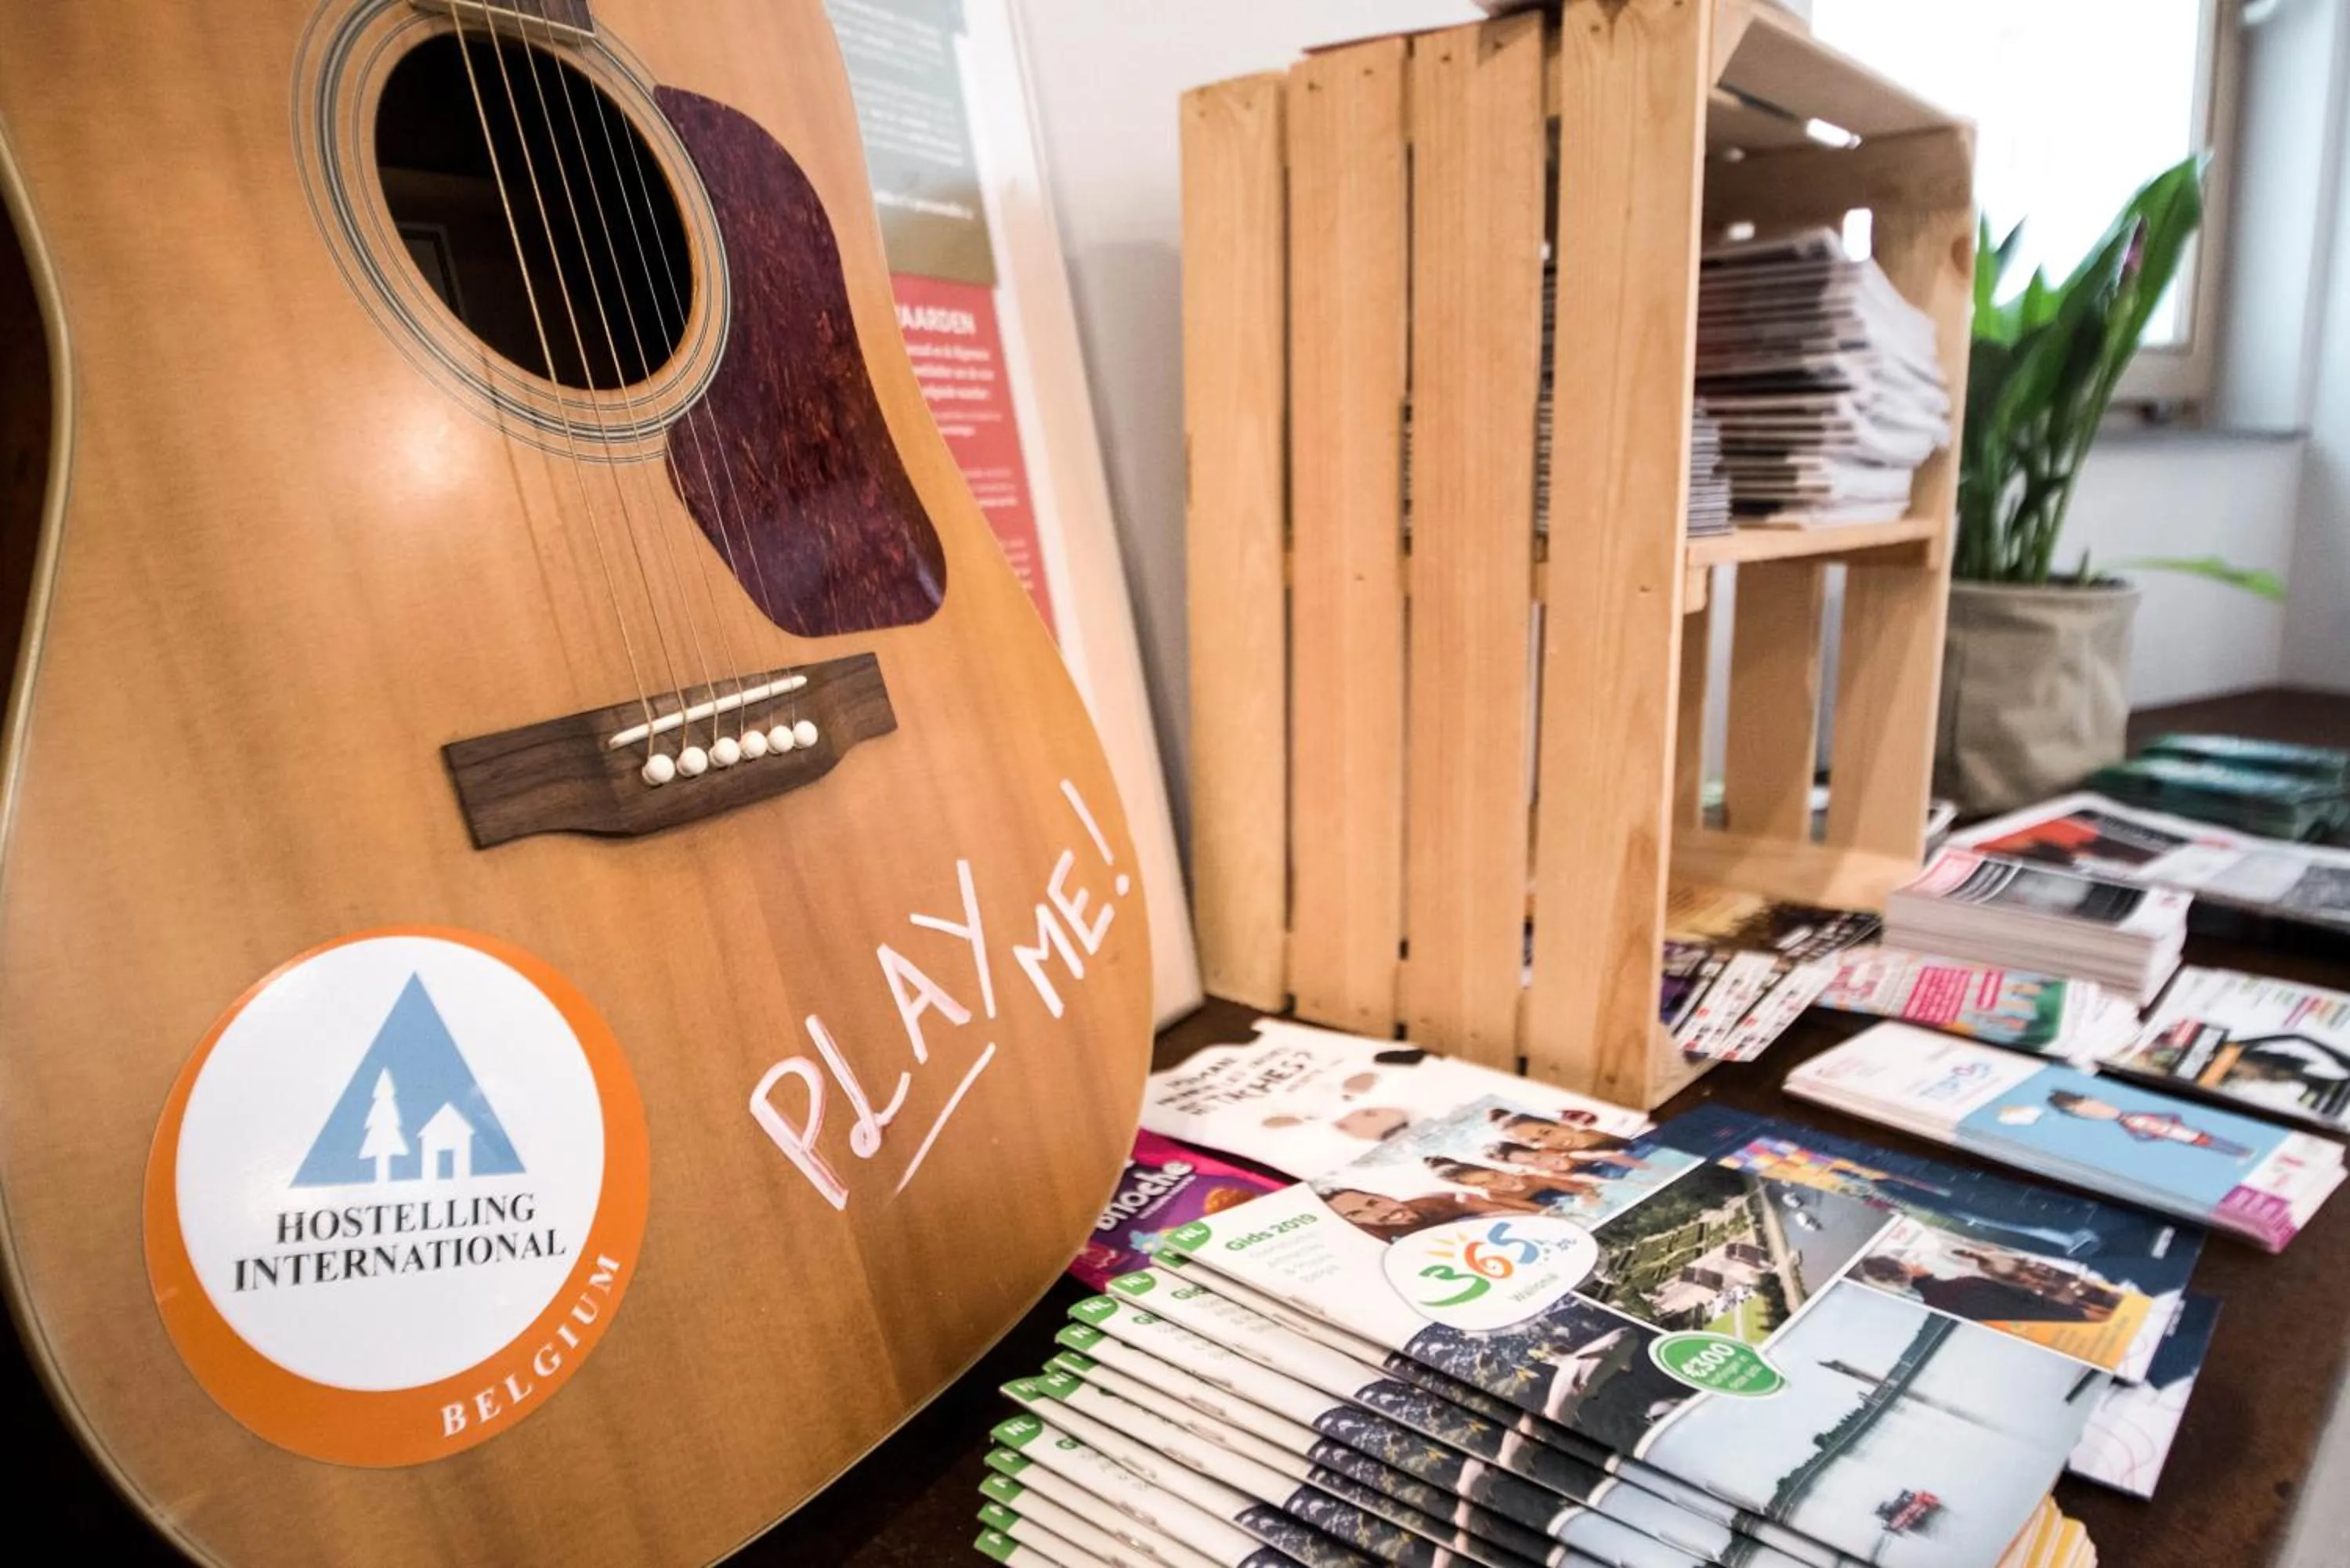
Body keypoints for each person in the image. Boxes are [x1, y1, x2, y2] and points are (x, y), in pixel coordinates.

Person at [1853, 1252, 2107, 1323]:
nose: (1915, 1262)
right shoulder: (1964, 1284)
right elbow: (2030, 1301)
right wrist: (2082, 1313)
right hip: (2066, 1319)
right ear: (1907, 1270)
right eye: (1909, 1261)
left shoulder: (1937, 1307)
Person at [2044, 1090, 2253, 1158]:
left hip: (2177, 1130)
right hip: (2176, 1133)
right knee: (2206, 1142)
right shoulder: (2129, 1124)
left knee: (2208, 1140)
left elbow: (2159, 1117)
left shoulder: (2132, 1118)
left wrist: (2170, 1121)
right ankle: (2239, 1151)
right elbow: (2141, 1136)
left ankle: (2241, 1150)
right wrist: (2157, 1133)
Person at [1321, 1186, 1524, 1242]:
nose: (1382, 1212)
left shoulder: (1436, 1202)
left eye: (1373, 1202)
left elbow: (1527, 1217)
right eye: (1357, 1214)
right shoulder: (1374, 1238)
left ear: (1385, 1195)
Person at [1423, 1156, 1593, 1208]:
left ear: (1497, 1169)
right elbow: (1541, 1212)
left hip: (1562, 1197)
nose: (1501, 1183)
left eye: (1496, 1176)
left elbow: (1583, 1189)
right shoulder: (1494, 1196)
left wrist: (1588, 1195)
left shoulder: (1531, 1177)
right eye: (1485, 1184)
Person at [1484, 1138, 1647, 1180]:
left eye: (1538, 1157)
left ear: (1546, 1149)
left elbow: (1605, 1155)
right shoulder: (1540, 1172)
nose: (1542, 1163)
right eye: (1533, 1164)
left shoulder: (1574, 1153)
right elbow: (1578, 1178)